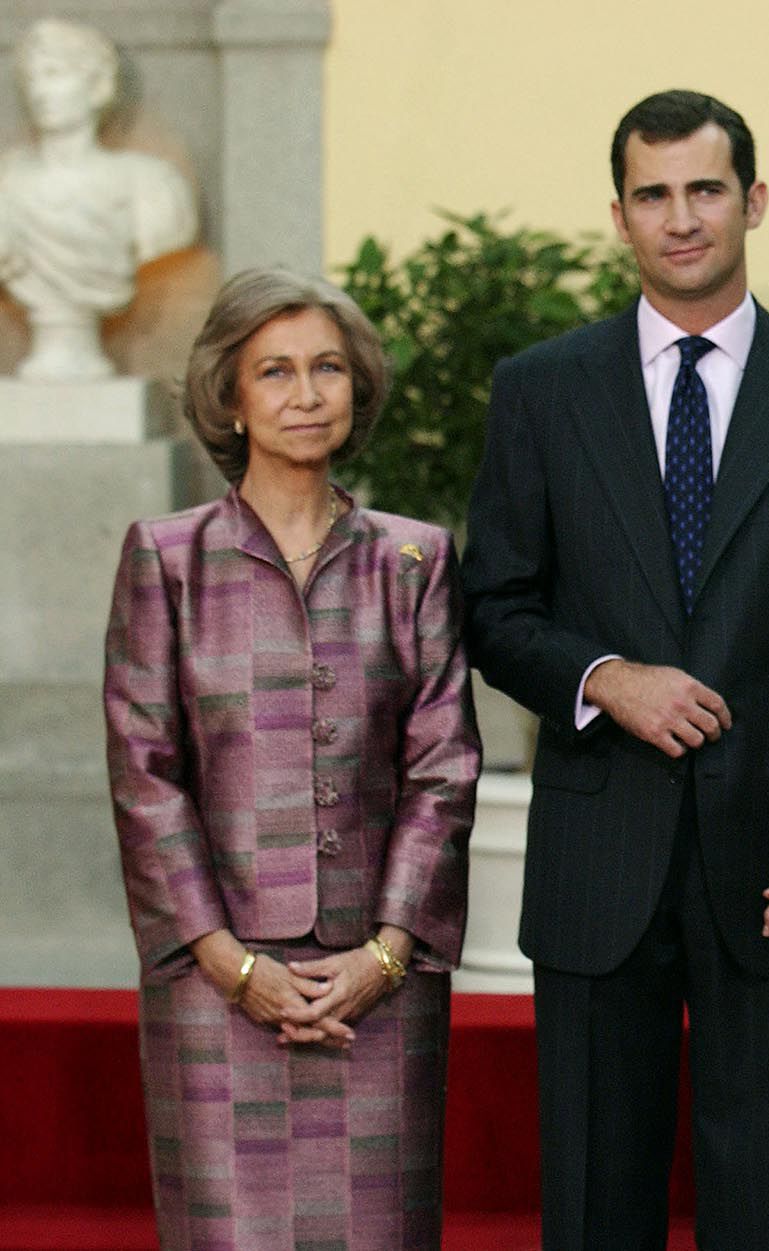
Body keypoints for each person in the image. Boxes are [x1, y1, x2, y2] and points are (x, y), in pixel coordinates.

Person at [461, 89, 769, 1251]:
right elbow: (494, 607)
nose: (682, 218)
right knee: (593, 1203)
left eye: (705, 189)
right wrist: (608, 674)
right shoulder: (541, 389)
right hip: (594, 855)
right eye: (653, 194)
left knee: (761, 1202)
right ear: (619, 215)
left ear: (752, 201)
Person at [103, 267, 480, 1249]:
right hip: (214, 989)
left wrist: (389, 951)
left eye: (327, 369)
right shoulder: (165, 557)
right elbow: (146, 778)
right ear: (231, 396)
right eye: (274, 371)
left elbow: (444, 771)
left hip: (380, 990)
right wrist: (230, 965)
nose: (305, 394)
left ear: (358, 389)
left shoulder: (417, 560)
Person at [1, 17, 197, 380]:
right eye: (33, 78)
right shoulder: (6, 182)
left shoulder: (149, 183)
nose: (40, 91)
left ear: (97, 87)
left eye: (56, 74)